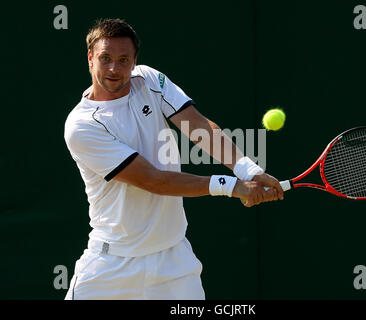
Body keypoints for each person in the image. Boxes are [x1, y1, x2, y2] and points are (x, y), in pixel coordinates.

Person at [64, 18, 284, 300]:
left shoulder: (150, 80)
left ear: (134, 62)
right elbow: (153, 180)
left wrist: (249, 170)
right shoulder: (82, 126)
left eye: (123, 60)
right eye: (105, 58)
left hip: (173, 262)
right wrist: (232, 186)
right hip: (110, 266)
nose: (113, 69)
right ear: (90, 58)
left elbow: (199, 127)